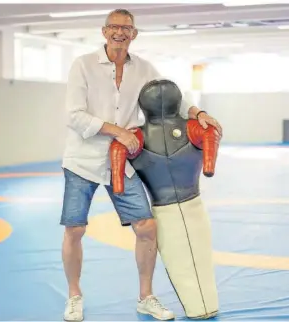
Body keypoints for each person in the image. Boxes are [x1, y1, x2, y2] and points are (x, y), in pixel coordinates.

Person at [60, 8, 222, 322]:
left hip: (123, 161)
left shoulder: (144, 68)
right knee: (75, 229)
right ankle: (74, 296)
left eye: (127, 28)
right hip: (82, 159)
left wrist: (199, 114)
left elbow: (172, 99)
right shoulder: (83, 65)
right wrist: (118, 130)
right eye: (114, 27)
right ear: (104, 32)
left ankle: (146, 297)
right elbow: (74, 115)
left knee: (147, 227)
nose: (120, 33)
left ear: (134, 34)